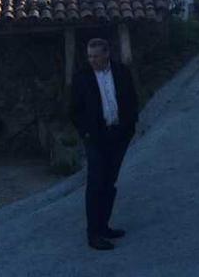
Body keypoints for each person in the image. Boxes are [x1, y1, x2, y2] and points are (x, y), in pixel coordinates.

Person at [71, 38, 139, 251]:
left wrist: (130, 127)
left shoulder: (121, 72)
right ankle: (93, 234)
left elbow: (132, 99)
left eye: (96, 56)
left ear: (106, 54)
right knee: (96, 183)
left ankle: (104, 226)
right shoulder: (81, 78)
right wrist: (87, 134)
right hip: (96, 137)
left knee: (110, 182)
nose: (92, 60)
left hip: (118, 135)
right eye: (89, 56)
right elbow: (74, 109)